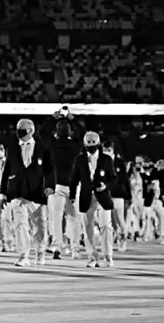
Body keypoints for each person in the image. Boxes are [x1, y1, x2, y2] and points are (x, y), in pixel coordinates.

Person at [8, 117, 56, 268]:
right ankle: (24, 255)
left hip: (37, 193)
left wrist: (50, 185)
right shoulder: (13, 147)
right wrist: (4, 191)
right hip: (18, 192)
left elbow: (50, 169)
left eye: (22, 131)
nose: (19, 133)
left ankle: (40, 250)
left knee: (40, 225)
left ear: (31, 131)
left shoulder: (43, 148)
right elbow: (7, 170)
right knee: (20, 224)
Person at [68, 131, 115, 268]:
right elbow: (74, 178)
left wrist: (106, 186)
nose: (91, 146)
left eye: (94, 143)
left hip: (103, 197)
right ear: (84, 144)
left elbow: (114, 179)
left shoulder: (106, 159)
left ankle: (108, 255)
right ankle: (92, 257)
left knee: (106, 226)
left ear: (98, 143)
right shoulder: (80, 159)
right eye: (88, 143)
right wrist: (71, 196)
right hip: (86, 196)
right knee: (88, 226)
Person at [41, 107, 83, 259]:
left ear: (56, 132)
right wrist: (73, 119)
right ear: (70, 131)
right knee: (73, 218)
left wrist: (53, 118)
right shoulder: (75, 145)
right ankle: (75, 249)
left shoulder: (52, 144)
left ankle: (58, 246)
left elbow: (42, 133)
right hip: (72, 185)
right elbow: (83, 134)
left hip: (56, 184)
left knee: (56, 217)